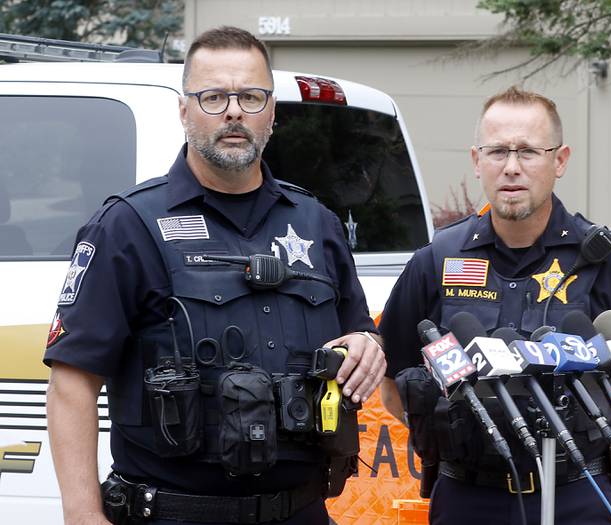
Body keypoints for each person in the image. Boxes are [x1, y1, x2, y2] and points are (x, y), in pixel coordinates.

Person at [44, 26, 385, 525]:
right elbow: (72, 382)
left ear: (271, 113)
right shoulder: (128, 225)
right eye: (213, 97)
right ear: (184, 112)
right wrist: (82, 513)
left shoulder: (317, 223)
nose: (233, 111)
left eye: (250, 97)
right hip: (175, 513)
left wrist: (367, 346)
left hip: (302, 513)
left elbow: (360, 333)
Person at [379, 86, 611, 524]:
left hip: (579, 498)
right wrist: (454, 440)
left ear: (559, 160)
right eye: (497, 151)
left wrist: (605, 454)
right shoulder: (436, 261)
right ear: (476, 160)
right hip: (468, 499)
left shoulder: (610, 263)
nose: (511, 167)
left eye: (528, 151)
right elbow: (393, 384)